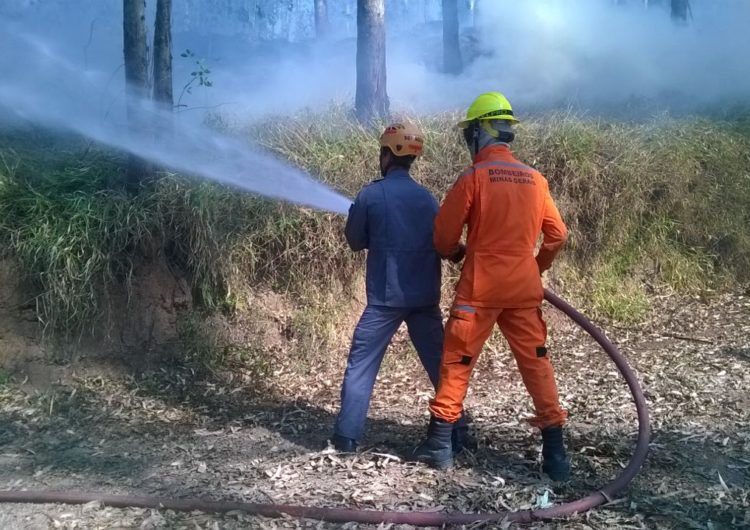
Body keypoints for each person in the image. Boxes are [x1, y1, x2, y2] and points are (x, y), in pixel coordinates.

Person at [413, 92, 571, 480]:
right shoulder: (535, 180)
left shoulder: (474, 178)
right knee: (536, 365)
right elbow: (557, 235)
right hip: (522, 291)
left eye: (470, 133)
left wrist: (455, 253)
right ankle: (556, 456)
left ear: (481, 133)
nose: (468, 140)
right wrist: (532, 269)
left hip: (479, 289)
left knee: (458, 362)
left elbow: (443, 236)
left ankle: (439, 447)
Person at [332, 122, 470, 453]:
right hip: (424, 298)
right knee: (441, 364)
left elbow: (355, 241)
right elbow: (444, 242)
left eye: (382, 151)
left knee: (362, 363)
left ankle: (346, 438)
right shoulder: (427, 199)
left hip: (384, 300)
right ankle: (461, 433)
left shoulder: (371, 194)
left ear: (388, 154)